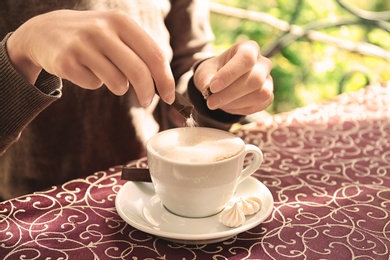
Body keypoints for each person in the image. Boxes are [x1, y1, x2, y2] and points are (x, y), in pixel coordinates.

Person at [0, 0, 273, 200]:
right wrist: (21, 51)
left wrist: (215, 92)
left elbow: (185, 62)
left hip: (150, 191)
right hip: (29, 207)